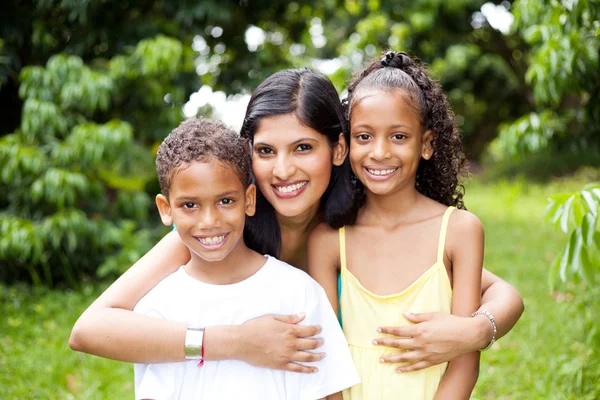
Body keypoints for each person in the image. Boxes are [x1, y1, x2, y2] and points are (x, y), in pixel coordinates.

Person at [70, 69, 524, 375]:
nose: (282, 170)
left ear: (338, 149)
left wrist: (475, 331)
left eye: (303, 148)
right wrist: (234, 342)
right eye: (266, 151)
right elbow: (90, 329)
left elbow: (503, 293)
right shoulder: (223, 230)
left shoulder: (360, 226)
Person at [132, 117, 359, 399]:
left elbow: (327, 392)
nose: (209, 220)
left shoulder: (300, 293)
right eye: (190, 205)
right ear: (165, 209)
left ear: (249, 200)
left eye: (225, 201)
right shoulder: (156, 309)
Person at [309, 51, 487, 399]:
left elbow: (465, 359)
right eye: (364, 136)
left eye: (399, 137)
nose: (379, 151)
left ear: (426, 144)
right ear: (345, 144)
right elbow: (325, 362)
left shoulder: (460, 231)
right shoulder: (329, 239)